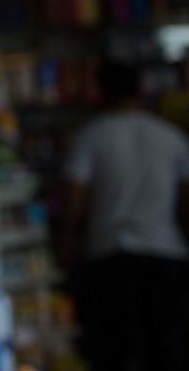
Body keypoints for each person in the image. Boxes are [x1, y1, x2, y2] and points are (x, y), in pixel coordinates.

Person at [63, 61, 189, 371]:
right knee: (168, 350)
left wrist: (69, 242)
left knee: (116, 353)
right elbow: (185, 203)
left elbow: (74, 202)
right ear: (142, 91)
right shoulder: (171, 137)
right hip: (167, 253)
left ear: (102, 93)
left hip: (110, 253)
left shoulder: (91, 136)